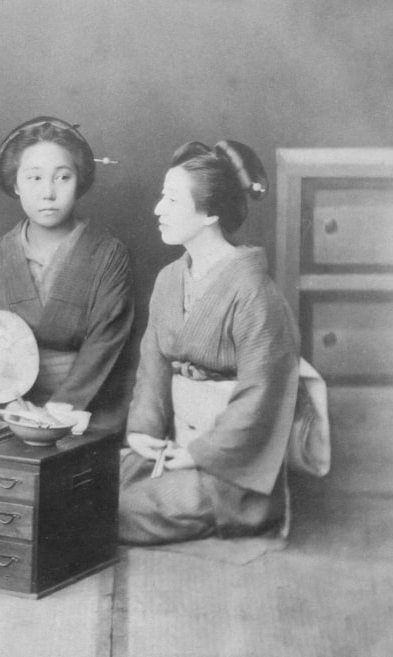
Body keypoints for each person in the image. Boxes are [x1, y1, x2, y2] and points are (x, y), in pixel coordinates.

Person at [119, 140, 301, 545]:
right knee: (87, 489)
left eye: (171, 199)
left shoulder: (254, 291)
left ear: (211, 214)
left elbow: (262, 395)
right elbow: (153, 365)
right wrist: (143, 432)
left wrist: (201, 453)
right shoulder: (169, 279)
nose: (157, 210)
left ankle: (249, 510)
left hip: (231, 462)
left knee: (117, 511)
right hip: (176, 440)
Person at [0, 116, 134, 432]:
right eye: (33, 178)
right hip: (10, 413)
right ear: (15, 184)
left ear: (79, 181)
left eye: (62, 177)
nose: (48, 192)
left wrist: (54, 413)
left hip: (84, 412)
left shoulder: (108, 254)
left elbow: (104, 345)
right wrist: (9, 404)